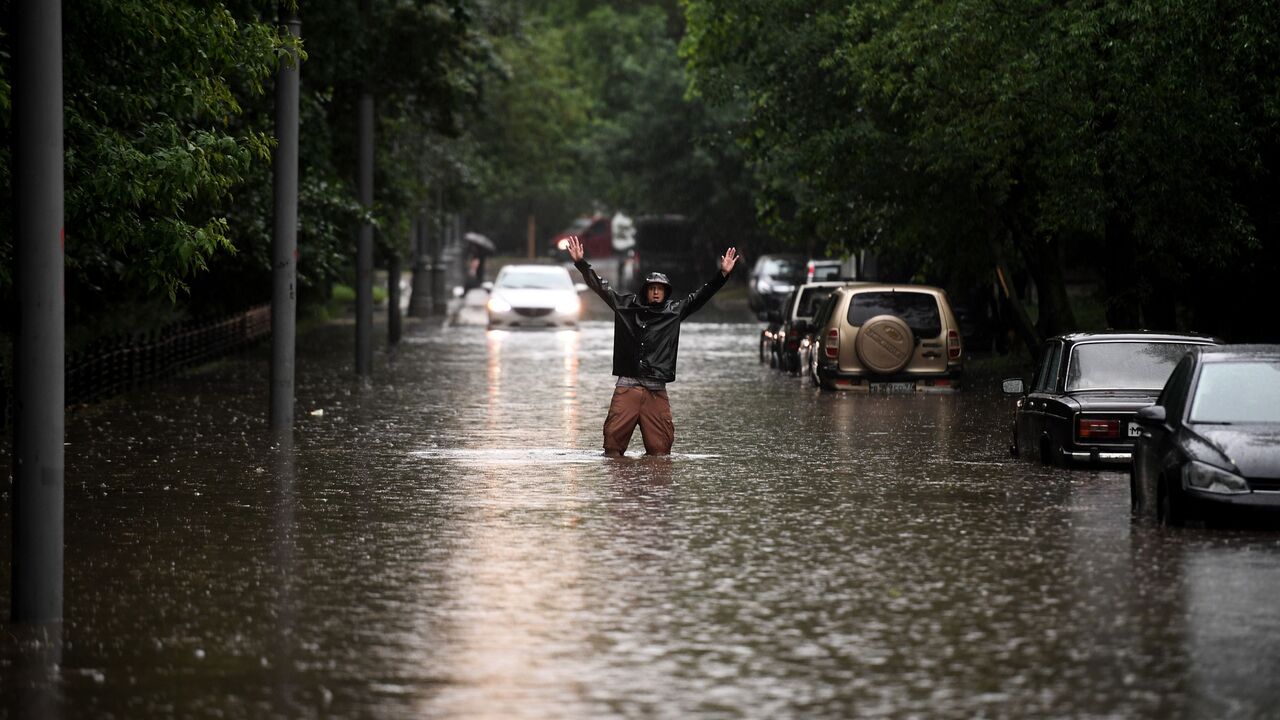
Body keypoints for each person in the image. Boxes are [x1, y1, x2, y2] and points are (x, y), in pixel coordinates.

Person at [566, 235, 740, 456]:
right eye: (652, 288)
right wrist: (581, 263)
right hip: (627, 387)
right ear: (646, 290)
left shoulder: (674, 311)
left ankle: (654, 491)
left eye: (661, 288)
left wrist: (723, 274)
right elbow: (602, 288)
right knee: (612, 449)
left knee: (660, 453)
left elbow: (700, 297)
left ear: (666, 291)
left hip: (656, 391)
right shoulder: (626, 306)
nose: (656, 292)